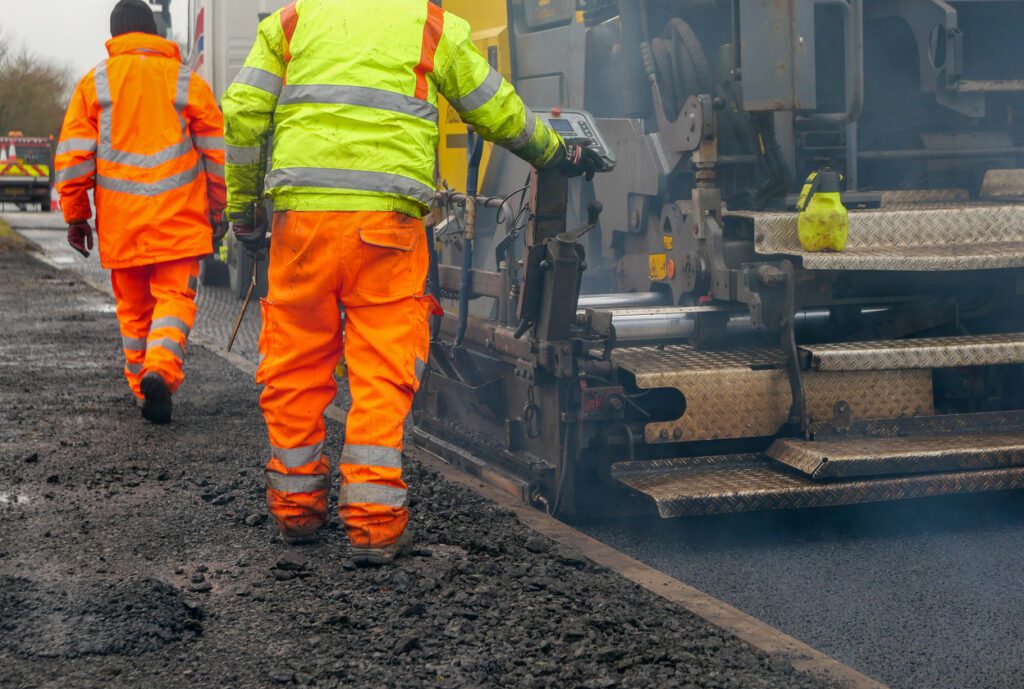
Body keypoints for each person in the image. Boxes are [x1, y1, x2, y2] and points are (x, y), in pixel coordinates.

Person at [222, 0, 603, 565]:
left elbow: (242, 113)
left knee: (296, 365)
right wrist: (554, 149)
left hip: (302, 226)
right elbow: (496, 110)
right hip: (388, 229)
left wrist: (243, 209)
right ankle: (374, 525)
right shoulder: (430, 25)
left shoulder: (290, 22)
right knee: (382, 369)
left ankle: (296, 510)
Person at [55, 0, 226, 424]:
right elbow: (216, 153)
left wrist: (76, 216)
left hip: (122, 226)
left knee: (133, 314)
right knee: (174, 299)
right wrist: (218, 208)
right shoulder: (185, 81)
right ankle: (160, 372)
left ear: (116, 37)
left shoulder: (94, 84)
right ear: (155, 32)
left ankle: (142, 390)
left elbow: (75, 158)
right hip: (179, 220)